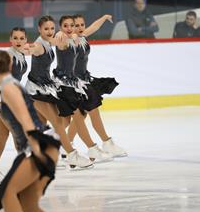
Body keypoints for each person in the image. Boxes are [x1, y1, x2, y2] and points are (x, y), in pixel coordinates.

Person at [0, 50, 61, 212]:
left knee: (7, 193)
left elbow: (26, 122)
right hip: (41, 145)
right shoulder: (11, 85)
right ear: (11, 65)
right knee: (29, 205)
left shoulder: (9, 88)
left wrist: (37, 152)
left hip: (36, 147)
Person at [25, 15, 94, 169]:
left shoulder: (50, 41)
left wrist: (73, 36)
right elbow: (30, 50)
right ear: (39, 29)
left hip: (46, 87)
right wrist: (24, 48)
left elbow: (73, 36)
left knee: (52, 122)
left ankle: (37, 157)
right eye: (46, 29)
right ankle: (71, 154)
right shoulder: (39, 45)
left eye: (52, 28)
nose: (50, 31)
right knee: (57, 122)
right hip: (36, 91)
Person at [52, 15, 113, 163]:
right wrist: (57, 34)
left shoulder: (78, 37)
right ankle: (88, 147)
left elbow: (93, 27)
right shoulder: (62, 39)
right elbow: (52, 41)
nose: (74, 28)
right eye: (67, 26)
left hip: (75, 84)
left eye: (77, 25)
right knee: (77, 116)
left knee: (67, 120)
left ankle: (63, 146)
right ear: (61, 27)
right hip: (64, 84)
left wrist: (104, 17)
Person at [67, 14, 127, 157]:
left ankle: (66, 144)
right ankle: (106, 142)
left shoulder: (83, 36)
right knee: (92, 110)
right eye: (76, 25)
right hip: (76, 83)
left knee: (81, 116)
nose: (80, 28)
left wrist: (104, 18)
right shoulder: (70, 40)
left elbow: (93, 26)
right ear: (71, 27)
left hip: (85, 80)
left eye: (82, 24)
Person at [0, 27, 30, 183]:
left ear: (26, 40)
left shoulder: (21, 53)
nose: (18, 41)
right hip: (3, 100)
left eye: (21, 38)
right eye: (15, 38)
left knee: (2, 136)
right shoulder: (9, 55)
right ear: (10, 39)